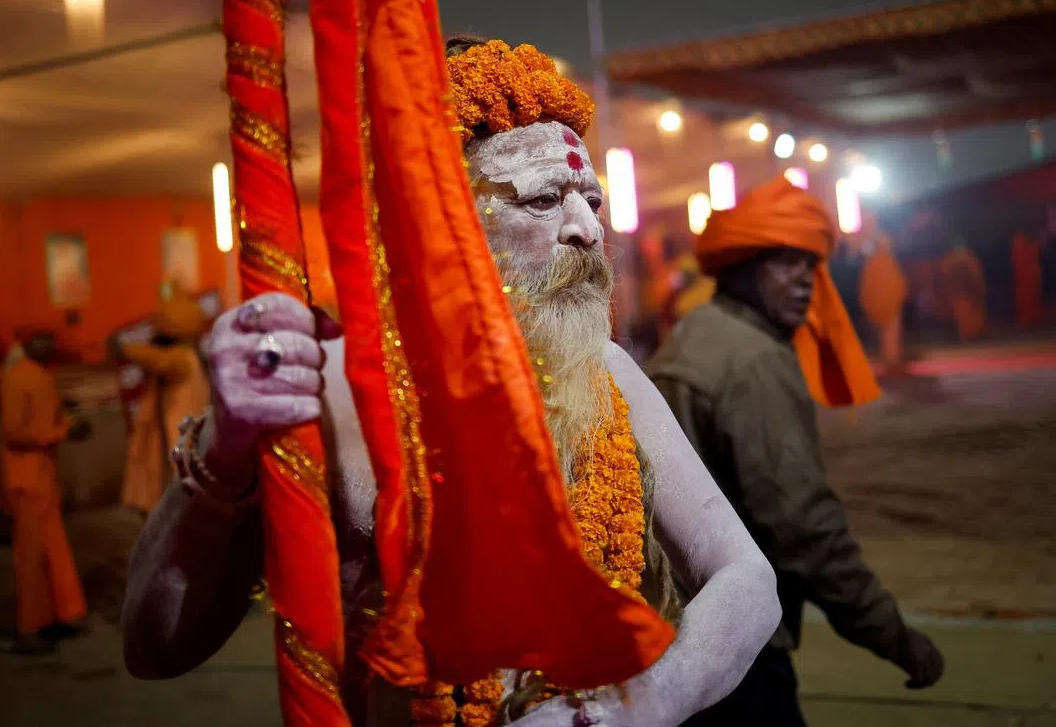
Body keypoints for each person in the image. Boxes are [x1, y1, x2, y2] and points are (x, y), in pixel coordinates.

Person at [122, 38, 781, 725]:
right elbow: (155, 647)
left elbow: (747, 581)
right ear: (438, 220)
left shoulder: (606, 374)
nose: (588, 229)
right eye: (543, 200)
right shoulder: (328, 389)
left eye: (590, 198)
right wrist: (226, 448)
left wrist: (634, 709)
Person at [647, 178, 945, 726]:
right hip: (734, 636)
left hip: (673, 622)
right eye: (784, 263)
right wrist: (893, 636)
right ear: (740, 265)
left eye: (810, 266)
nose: (805, 282)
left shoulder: (697, 334)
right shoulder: (753, 362)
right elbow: (804, 527)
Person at [0, 328, 91, 654]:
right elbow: (14, 432)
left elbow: (45, 418)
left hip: (43, 477)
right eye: (38, 341)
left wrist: (68, 423)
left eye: (48, 340)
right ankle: (30, 628)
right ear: (25, 346)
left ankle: (63, 614)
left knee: (54, 549)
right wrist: (61, 431)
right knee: (32, 557)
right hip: (25, 479)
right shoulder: (15, 377)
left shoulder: (41, 375)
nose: (46, 345)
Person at [113, 287, 210, 516]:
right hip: (175, 442)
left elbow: (157, 360)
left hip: (179, 444)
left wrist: (123, 348)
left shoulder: (181, 358)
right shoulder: (190, 356)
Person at [857, 216, 909, 371]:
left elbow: (895, 279)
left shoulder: (884, 258)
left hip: (889, 297)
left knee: (891, 329)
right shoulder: (873, 258)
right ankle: (890, 357)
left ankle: (892, 357)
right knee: (887, 329)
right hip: (881, 298)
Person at [940, 239, 987, 340]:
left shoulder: (953, 258)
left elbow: (976, 275)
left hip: (966, 291)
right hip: (961, 291)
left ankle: (972, 333)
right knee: (965, 314)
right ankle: (970, 334)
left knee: (968, 314)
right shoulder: (966, 258)